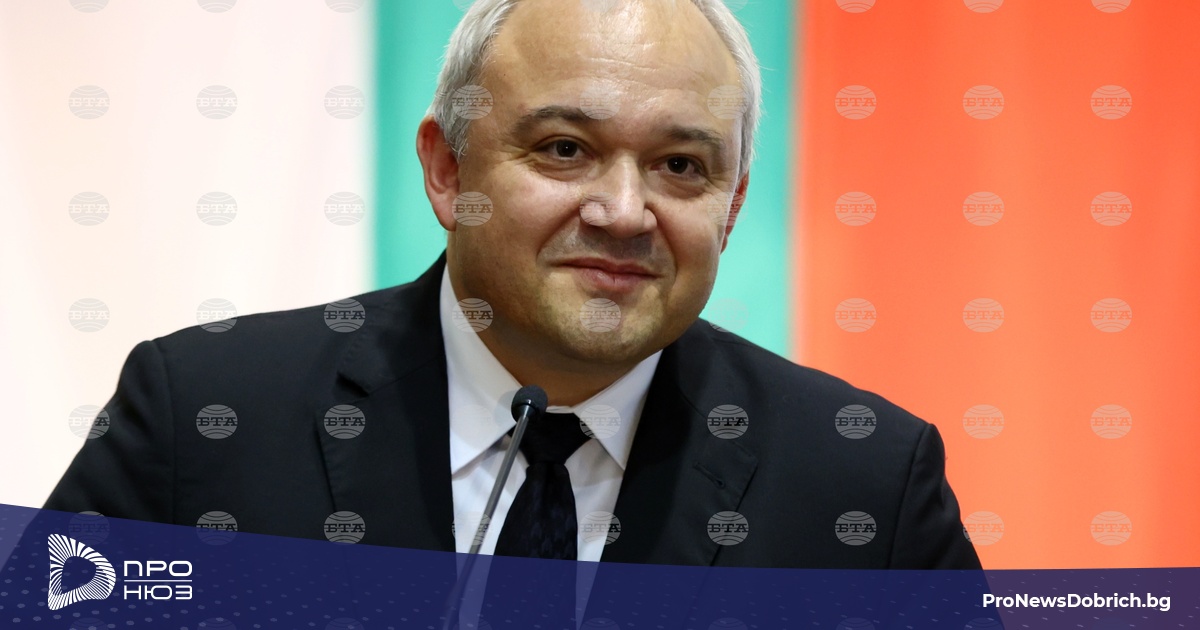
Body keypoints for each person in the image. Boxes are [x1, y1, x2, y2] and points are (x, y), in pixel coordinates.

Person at [44, 0, 981, 570]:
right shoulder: (205, 418)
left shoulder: (864, 481)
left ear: (731, 207)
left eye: (680, 167)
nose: (624, 212)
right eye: (565, 149)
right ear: (447, 169)